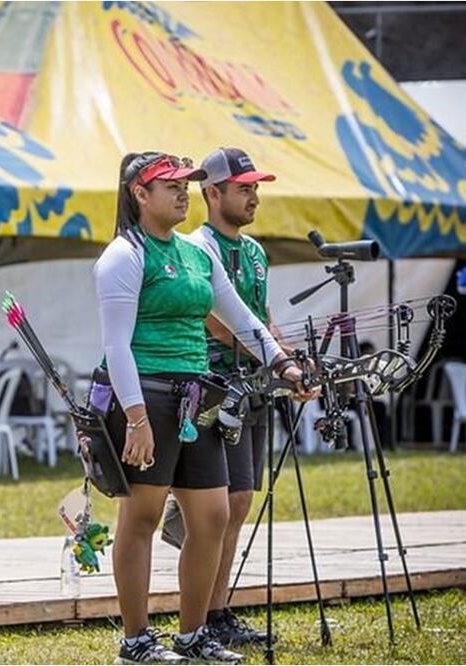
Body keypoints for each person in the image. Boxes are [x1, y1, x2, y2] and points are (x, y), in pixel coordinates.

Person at [94, 152, 312, 664]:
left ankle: (192, 635)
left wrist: (284, 366)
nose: (182, 193)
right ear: (140, 194)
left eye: (185, 185)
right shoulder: (124, 255)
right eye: (170, 186)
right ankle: (136, 641)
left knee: (213, 515)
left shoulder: (197, 255)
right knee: (142, 518)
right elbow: (117, 346)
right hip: (147, 396)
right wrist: (136, 418)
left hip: (198, 396)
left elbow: (243, 320)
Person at [159, 147, 283, 646]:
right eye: (243, 189)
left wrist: (287, 362)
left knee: (241, 500)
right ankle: (203, 615)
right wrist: (270, 358)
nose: (254, 198)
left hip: (254, 388)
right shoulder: (196, 247)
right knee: (223, 503)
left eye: (255, 189)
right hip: (213, 388)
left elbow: (260, 318)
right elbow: (216, 319)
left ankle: (217, 610)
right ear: (212, 193)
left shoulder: (254, 252)